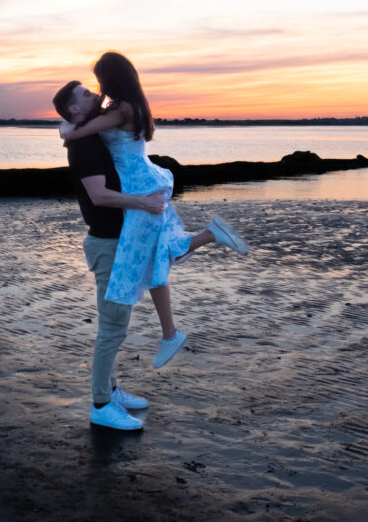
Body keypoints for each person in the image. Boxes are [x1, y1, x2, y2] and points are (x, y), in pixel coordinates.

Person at [58, 52, 248, 375]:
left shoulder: (121, 109)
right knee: (162, 253)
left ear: (111, 79)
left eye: (100, 81)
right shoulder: (130, 104)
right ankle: (170, 331)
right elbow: (95, 121)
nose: (98, 88)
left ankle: (169, 332)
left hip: (138, 187)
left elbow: (78, 133)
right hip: (144, 180)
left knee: (154, 256)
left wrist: (66, 128)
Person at [53, 79, 165, 430]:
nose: (94, 94)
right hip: (108, 244)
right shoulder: (84, 146)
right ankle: (101, 405)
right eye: (85, 94)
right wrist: (143, 203)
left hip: (116, 241)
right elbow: (99, 196)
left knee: (116, 323)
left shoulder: (90, 134)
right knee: (112, 327)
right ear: (74, 109)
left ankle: (111, 389)